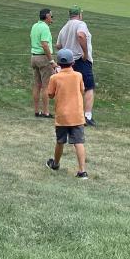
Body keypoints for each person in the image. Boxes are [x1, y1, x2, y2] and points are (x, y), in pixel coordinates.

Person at [45, 48, 88, 179]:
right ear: (73, 62)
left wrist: (56, 75)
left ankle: (56, 164)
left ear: (58, 63)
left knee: (60, 141)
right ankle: (82, 171)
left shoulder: (54, 77)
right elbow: (82, 89)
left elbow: (50, 94)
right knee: (78, 142)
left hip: (62, 116)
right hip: (77, 115)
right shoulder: (78, 76)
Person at [56, 5, 96, 126]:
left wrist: (68, 47)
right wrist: (85, 53)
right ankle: (87, 116)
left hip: (68, 62)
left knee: (73, 89)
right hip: (81, 60)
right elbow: (80, 35)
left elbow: (58, 45)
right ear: (79, 14)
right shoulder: (80, 24)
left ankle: (71, 114)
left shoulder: (64, 27)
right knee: (89, 87)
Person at [29, 8, 56, 118]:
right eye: (51, 16)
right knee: (46, 86)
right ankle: (45, 112)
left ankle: (36, 111)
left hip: (34, 57)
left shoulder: (35, 26)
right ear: (47, 16)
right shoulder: (45, 28)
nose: (52, 18)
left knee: (37, 85)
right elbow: (44, 44)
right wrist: (51, 61)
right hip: (43, 58)